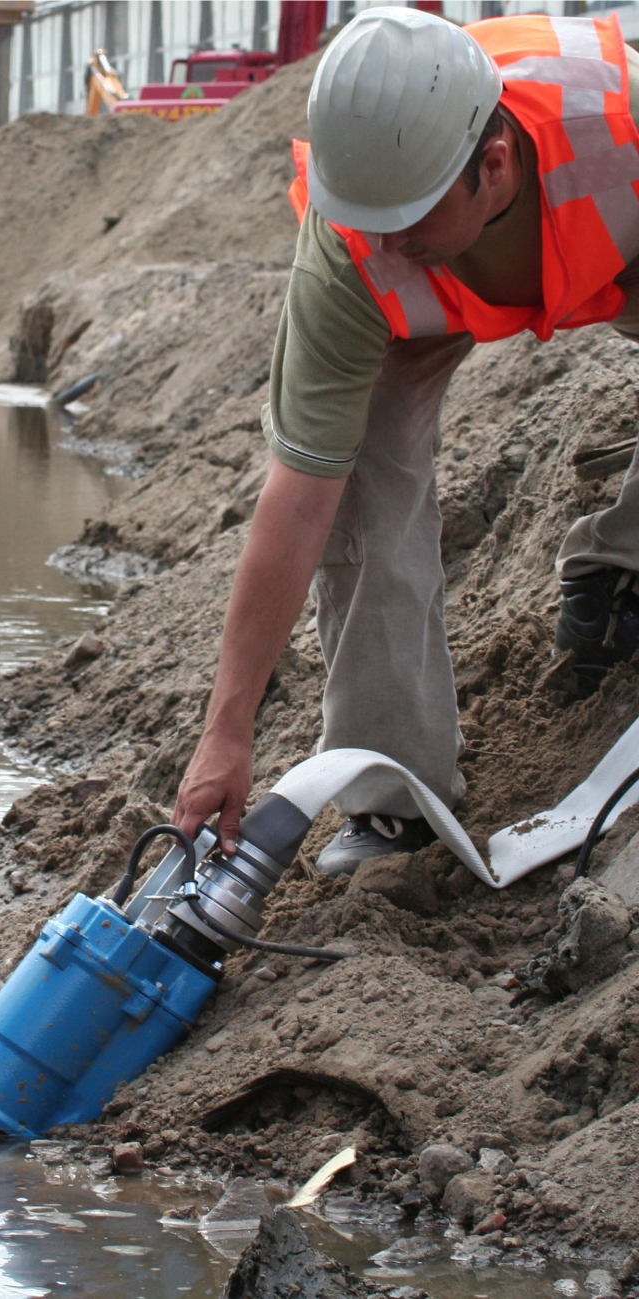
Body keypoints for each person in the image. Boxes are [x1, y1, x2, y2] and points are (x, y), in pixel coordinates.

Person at [173, 7, 639, 876]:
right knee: (363, 489)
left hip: (617, 244)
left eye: (407, 222)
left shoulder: (621, 138)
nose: (383, 243)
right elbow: (299, 499)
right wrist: (226, 730)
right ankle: (396, 796)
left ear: (493, 166)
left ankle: (620, 561)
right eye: (366, 219)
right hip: (420, 322)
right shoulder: (352, 247)